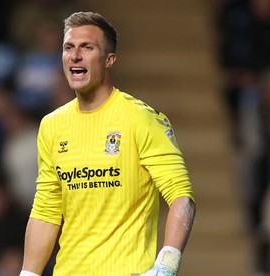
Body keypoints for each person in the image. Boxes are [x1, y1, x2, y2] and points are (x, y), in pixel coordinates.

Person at [19, 11, 196, 276]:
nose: (75, 55)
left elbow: (182, 197)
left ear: (109, 59)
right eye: (69, 47)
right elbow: (47, 209)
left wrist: (166, 266)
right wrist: (28, 274)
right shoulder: (51, 125)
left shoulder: (140, 119)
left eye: (87, 47)